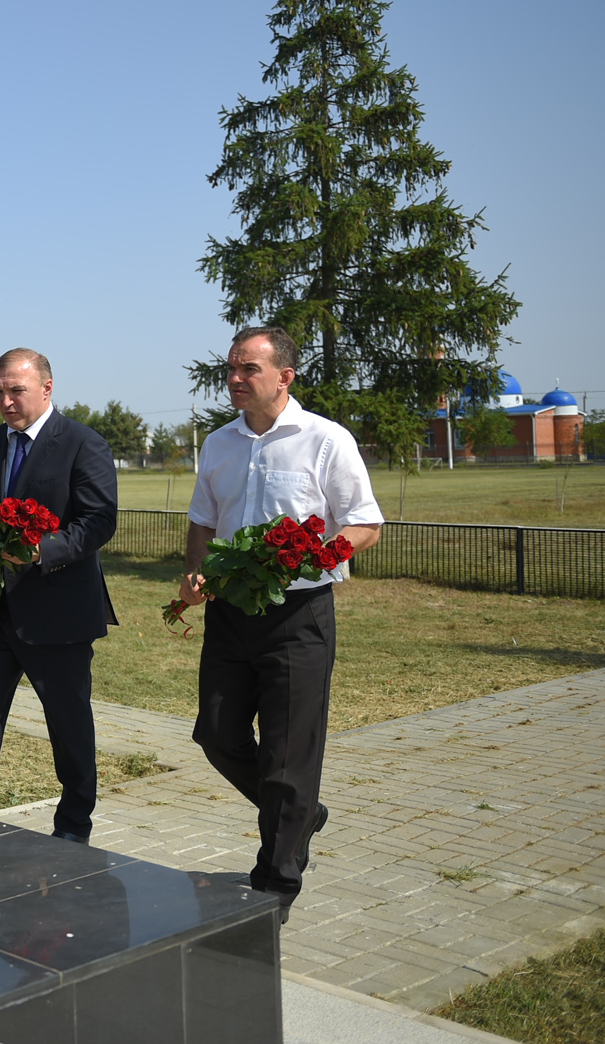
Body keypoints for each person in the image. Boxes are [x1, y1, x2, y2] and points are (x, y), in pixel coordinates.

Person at [174, 325, 382, 921]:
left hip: (299, 614)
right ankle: (299, 814)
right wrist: (195, 573)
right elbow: (202, 522)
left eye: (249, 370)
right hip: (232, 612)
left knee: (291, 756)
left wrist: (317, 554)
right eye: (231, 369)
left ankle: (275, 881)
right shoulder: (218, 444)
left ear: (285, 377)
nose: (236, 379)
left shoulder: (325, 439)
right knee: (217, 734)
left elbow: (365, 523)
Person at [0, 348, 119, 841]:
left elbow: (99, 521)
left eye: (15, 390)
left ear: (46, 387)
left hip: (59, 613)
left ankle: (74, 830)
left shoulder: (83, 443)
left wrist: (43, 550)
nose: (5, 400)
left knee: (68, 724)